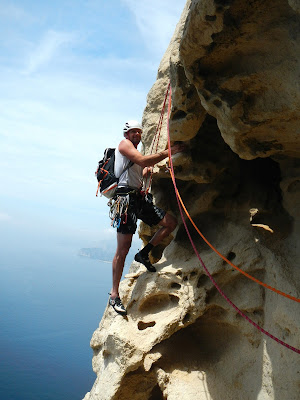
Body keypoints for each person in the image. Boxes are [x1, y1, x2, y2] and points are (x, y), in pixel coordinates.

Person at [109, 120, 185, 315]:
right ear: (126, 134)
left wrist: (148, 172)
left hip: (138, 198)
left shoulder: (135, 153)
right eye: (133, 132)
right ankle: (114, 295)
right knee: (123, 248)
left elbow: (141, 169)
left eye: (138, 132)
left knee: (170, 223)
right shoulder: (124, 145)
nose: (136, 134)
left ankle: (144, 253)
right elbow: (143, 161)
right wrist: (171, 151)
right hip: (125, 199)